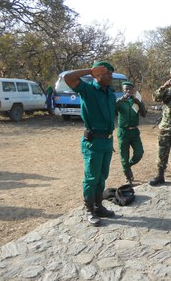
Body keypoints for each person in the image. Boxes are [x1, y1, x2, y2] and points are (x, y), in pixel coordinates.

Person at [64, 61, 116, 227]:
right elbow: (68, 78)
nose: (111, 76)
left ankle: (98, 205)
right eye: (107, 73)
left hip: (107, 141)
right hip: (93, 142)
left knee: (102, 176)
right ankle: (89, 209)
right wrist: (89, 71)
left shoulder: (110, 92)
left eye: (111, 73)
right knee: (91, 177)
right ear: (98, 74)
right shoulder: (88, 89)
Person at [116, 81, 147, 186]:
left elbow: (144, 114)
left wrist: (139, 103)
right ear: (123, 91)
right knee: (124, 157)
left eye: (130, 89)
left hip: (134, 132)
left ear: (133, 91)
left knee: (139, 153)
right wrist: (120, 101)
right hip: (123, 132)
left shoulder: (136, 101)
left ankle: (127, 166)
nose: (128, 91)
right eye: (126, 89)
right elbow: (112, 110)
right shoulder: (120, 101)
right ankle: (128, 177)